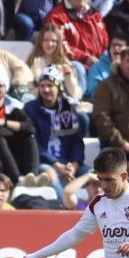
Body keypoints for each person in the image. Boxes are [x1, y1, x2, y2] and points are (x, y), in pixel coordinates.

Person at [24, 66, 88, 199]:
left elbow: (77, 142)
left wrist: (74, 165)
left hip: (68, 163)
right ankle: (64, 209)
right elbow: (32, 142)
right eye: (42, 86)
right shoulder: (30, 109)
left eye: (50, 85)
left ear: (59, 87)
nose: (45, 90)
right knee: (50, 176)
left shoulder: (67, 109)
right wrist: (56, 164)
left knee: (93, 175)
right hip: (44, 162)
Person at [45, 0, 109, 69]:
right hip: (71, 64)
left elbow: (105, 41)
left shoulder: (96, 15)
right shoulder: (57, 16)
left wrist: (103, 59)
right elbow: (58, 44)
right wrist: (85, 58)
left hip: (97, 63)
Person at [26, 23, 86, 101]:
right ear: (41, 42)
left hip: (66, 105)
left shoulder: (65, 63)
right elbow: (27, 93)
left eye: (53, 41)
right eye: (46, 40)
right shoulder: (33, 62)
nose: (50, 44)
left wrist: (68, 76)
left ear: (58, 43)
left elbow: (76, 95)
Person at [85, 32, 128, 101]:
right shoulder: (96, 68)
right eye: (113, 45)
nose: (116, 48)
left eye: (120, 45)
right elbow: (94, 94)